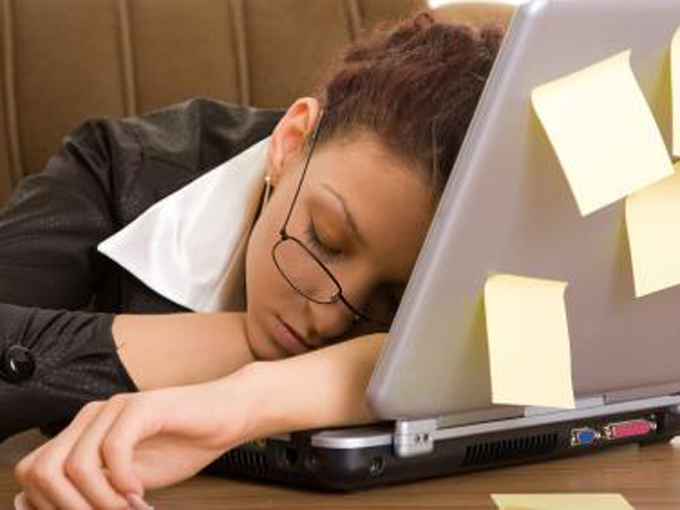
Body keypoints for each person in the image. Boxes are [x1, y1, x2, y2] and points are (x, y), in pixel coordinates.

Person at [2, 10, 504, 509]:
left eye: (391, 300)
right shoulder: (116, 168)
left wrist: (247, 399)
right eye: (326, 239)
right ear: (290, 142)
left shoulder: (476, 252)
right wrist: (244, 341)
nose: (329, 319)